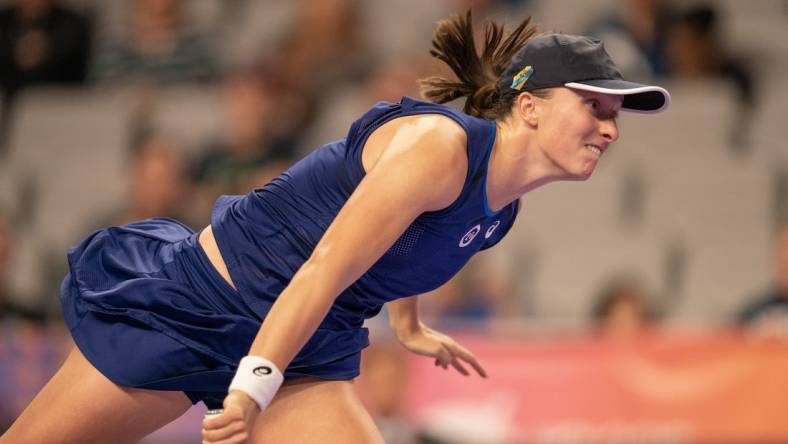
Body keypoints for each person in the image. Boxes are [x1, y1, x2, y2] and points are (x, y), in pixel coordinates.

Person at [0, 10, 670, 444]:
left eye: (618, 113)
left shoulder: (501, 206)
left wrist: (407, 326)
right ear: (527, 107)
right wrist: (252, 386)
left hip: (306, 347)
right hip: (201, 307)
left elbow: (407, 246)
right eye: (594, 106)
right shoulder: (438, 148)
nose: (610, 127)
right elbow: (324, 265)